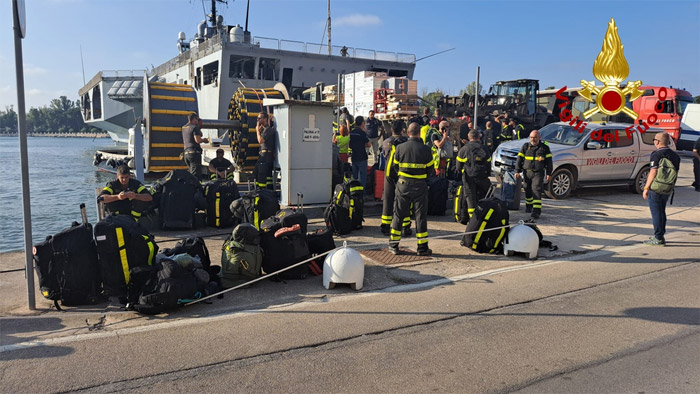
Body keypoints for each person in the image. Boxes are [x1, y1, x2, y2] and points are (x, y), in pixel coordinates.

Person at [388, 122, 435, 256]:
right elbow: (430, 170)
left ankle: (393, 245)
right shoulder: (426, 149)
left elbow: (394, 167)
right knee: (420, 217)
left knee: (398, 214)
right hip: (420, 185)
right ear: (419, 133)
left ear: (408, 133)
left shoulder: (399, 147)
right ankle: (422, 248)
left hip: (403, 184)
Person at [642, 132, 681, 246]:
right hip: (668, 188)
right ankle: (660, 235)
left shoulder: (656, 154)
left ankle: (658, 238)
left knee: (656, 213)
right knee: (661, 211)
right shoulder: (675, 156)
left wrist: (646, 187)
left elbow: (653, 171)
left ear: (657, 142)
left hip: (656, 188)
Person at [380, 119, 411, 236]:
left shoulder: (386, 142)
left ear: (391, 129)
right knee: (404, 200)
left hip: (389, 173)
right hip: (403, 174)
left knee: (388, 200)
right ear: (403, 130)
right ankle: (405, 227)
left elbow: (384, 155)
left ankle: (386, 226)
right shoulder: (406, 142)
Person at [514, 129, 552, 219]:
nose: (533, 139)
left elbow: (549, 162)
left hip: (538, 173)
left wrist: (549, 173)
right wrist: (517, 171)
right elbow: (519, 159)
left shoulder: (544, 148)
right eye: (531, 137)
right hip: (527, 172)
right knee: (527, 189)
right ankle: (529, 206)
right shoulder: (525, 146)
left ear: (539, 137)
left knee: (536, 189)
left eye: (535, 137)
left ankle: (536, 211)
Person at [455, 130, 492, 219]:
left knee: (470, 197)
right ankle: (484, 216)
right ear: (479, 137)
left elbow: (458, 166)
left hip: (469, 177)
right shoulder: (485, 148)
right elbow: (489, 164)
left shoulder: (464, 149)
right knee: (484, 196)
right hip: (482, 177)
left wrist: (461, 172)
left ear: (469, 138)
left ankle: (473, 219)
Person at [181, 112, 209, 179]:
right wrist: (205, 140)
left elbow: (198, 134)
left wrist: (198, 128)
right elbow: (198, 140)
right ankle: (195, 188)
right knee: (196, 175)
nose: (197, 121)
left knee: (191, 173)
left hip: (186, 154)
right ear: (194, 119)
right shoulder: (194, 127)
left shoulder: (184, 127)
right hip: (194, 154)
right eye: (196, 120)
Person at [255, 112, 276, 189]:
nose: (258, 120)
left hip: (266, 156)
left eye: (260, 118)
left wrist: (257, 131)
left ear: (265, 119)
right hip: (264, 156)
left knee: (262, 175)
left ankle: (262, 191)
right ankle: (262, 190)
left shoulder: (268, 130)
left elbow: (260, 141)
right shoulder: (264, 130)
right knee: (257, 173)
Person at [349, 115, 371, 188]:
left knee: (354, 176)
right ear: (362, 123)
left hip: (354, 156)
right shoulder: (362, 133)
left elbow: (350, 144)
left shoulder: (352, 132)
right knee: (362, 176)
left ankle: (354, 192)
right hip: (362, 156)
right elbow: (369, 144)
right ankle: (362, 193)